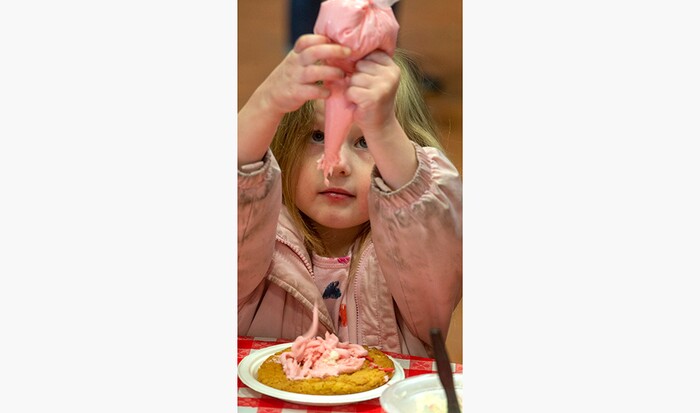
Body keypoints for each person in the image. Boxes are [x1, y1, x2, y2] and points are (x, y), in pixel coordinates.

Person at [237, 34, 461, 357]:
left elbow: (431, 224)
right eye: (317, 136)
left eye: (365, 142)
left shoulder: (413, 257)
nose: (337, 165)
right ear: (284, 143)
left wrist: (383, 127)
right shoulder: (253, 235)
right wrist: (266, 103)